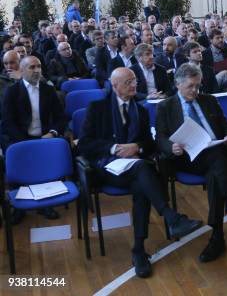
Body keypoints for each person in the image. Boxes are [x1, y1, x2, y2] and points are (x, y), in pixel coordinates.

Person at [78, 67, 203, 278]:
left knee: (141, 184)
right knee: (144, 169)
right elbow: (85, 144)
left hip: (134, 170)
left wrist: (137, 147)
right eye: (128, 82)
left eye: (134, 80)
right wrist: (115, 148)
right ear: (115, 85)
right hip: (107, 168)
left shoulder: (141, 110)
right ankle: (170, 217)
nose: (134, 84)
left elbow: (149, 144)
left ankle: (138, 250)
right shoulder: (97, 108)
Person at [155, 63, 227, 263]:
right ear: (178, 84)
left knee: (215, 173)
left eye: (198, 86)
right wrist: (170, 147)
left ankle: (218, 237)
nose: (195, 91)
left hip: (215, 153)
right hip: (186, 157)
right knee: (217, 159)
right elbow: (160, 137)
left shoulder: (208, 100)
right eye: (191, 86)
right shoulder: (166, 106)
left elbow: (225, 124)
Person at [1, 56, 68, 222]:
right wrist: (25, 142)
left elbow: (61, 118)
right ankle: (20, 206)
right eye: (32, 67)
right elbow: (8, 122)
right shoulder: (12, 91)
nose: (37, 70)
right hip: (20, 138)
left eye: (39, 66)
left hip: (44, 136)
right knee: (17, 158)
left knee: (50, 157)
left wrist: (52, 133)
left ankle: (45, 203)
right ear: (22, 71)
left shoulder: (48, 90)